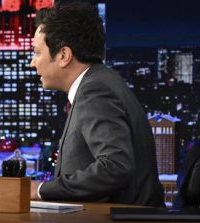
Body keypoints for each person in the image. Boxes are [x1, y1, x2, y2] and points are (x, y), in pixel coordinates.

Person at [29, 1, 165, 206]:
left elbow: (115, 167)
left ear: (64, 55)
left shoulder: (94, 91)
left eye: (37, 52)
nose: (32, 62)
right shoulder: (101, 81)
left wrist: (40, 190)